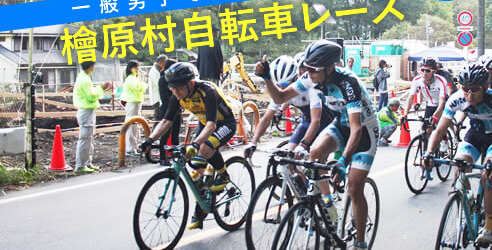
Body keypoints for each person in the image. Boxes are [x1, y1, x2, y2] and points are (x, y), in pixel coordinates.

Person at [254, 40, 377, 249]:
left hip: (364, 131)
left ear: (330, 67)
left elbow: (356, 129)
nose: (308, 73)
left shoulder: (348, 84)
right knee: (314, 154)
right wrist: (267, 78)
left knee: (355, 187)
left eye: (313, 69)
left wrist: (343, 161)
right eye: (307, 68)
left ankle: (360, 243)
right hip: (341, 124)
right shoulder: (311, 77)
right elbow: (280, 96)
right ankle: (328, 207)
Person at [424, 64, 492, 247]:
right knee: (459, 166)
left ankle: (488, 227)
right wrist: (429, 152)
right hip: (475, 134)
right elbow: (439, 130)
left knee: (488, 176)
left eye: (475, 90)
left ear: (485, 88)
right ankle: (469, 200)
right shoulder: (456, 100)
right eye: (465, 89)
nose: (469, 95)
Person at [142, 62, 237, 230]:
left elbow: (211, 125)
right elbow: (166, 121)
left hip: (224, 123)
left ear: (190, 83)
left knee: (204, 148)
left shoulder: (208, 91)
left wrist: (195, 143)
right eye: (172, 88)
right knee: (196, 167)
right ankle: (201, 205)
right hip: (204, 123)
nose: (175, 92)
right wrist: (150, 139)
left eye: (178, 88)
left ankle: (223, 175)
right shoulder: (177, 95)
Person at [73, 61, 111, 173]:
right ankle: (80, 165)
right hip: (86, 111)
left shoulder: (85, 78)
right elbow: (91, 96)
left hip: (88, 110)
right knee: (85, 139)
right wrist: (101, 88)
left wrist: (99, 88)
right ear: (90, 67)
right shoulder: (84, 79)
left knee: (89, 138)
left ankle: (87, 163)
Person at [402, 57, 447, 122]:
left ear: (434, 71)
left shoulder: (441, 81)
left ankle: (454, 129)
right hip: (430, 105)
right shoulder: (417, 80)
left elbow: (442, 101)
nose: (424, 73)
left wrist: (435, 115)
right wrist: (405, 114)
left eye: (428, 71)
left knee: (441, 128)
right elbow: (410, 98)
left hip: (442, 104)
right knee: (426, 128)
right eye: (422, 70)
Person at [157, 59, 181, 165]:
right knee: (165, 135)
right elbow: (165, 98)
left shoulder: (174, 79)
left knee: (175, 134)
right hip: (167, 110)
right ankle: (163, 157)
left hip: (177, 110)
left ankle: (175, 155)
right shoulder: (162, 79)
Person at [121, 60, 147, 156]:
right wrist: (144, 83)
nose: (138, 69)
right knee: (132, 126)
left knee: (135, 125)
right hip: (132, 103)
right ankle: (130, 148)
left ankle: (135, 146)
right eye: (136, 67)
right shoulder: (131, 79)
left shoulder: (133, 78)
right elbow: (140, 88)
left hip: (135, 103)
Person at [149, 55, 168, 121]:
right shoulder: (155, 71)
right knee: (158, 119)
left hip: (159, 98)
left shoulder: (158, 70)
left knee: (160, 119)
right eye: (165, 62)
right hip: (157, 99)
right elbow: (159, 84)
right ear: (160, 62)